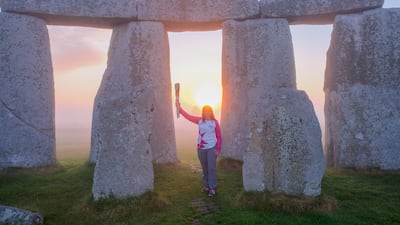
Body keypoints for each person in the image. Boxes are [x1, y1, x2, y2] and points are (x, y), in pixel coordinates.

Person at [176, 101, 222, 197]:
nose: (207, 112)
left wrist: (218, 149)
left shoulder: (215, 123)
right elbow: (188, 117)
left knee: (211, 168)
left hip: (211, 147)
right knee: (205, 168)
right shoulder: (200, 120)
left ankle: (212, 188)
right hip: (201, 148)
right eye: (205, 111)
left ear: (211, 112)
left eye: (208, 111)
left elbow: (219, 137)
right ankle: (206, 185)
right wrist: (179, 108)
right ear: (203, 112)